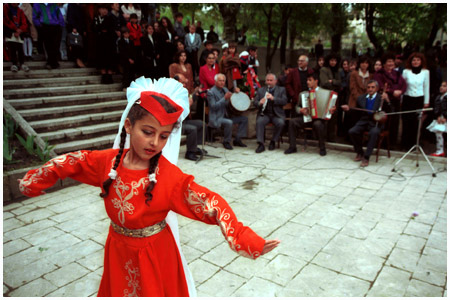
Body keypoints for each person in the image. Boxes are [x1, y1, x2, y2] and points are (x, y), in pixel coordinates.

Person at [18, 76, 281, 296]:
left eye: (164, 136)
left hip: (155, 256)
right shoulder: (107, 163)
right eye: (148, 132)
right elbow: (70, 163)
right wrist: (34, 180)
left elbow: (211, 203)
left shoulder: (168, 177)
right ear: (129, 126)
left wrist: (246, 239)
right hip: (118, 251)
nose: (155, 142)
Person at [342, 80, 392, 167]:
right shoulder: (361, 98)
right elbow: (356, 112)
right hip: (364, 121)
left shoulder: (381, 98)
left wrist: (387, 100)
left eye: (372, 87)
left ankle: (367, 157)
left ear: (376, 88)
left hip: (376, 123)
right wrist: (348, 109)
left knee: (374, 132)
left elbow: (391, 110)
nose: (370, 89)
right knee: (352, 131)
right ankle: (360, 152)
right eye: (368, 87)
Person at [285, 73, 336, 156]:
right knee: (292, 122)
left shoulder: (325, 93)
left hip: (319, 119)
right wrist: (300, 110)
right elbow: (297, 106)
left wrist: (332, 109)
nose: (307, 82)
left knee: (318, 124)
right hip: (307, 118)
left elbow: (332, 106)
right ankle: (292, 147)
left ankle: (322, 148)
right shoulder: (303, 94)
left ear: (316, 81)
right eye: (307, 80)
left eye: (310, 80)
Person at [373, 52, 407, 147]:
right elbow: (379, 86)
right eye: (388, 62)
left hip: (396, 101)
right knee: (384, 122)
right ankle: (381, 144)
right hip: (384, 101)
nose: (391, 63)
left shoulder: (397, 73)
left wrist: (400, 92)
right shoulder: (379, 73)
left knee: (395, 122)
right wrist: (392, 92)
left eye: (392, 61)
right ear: (384, 63)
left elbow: (404, 84)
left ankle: (392, 143)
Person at [207, 73, 248, 149]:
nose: (222, 82)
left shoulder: (225, 89)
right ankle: (226, 142)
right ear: (215, 81)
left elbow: (231, 99)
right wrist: (224, 99)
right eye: (220, 81)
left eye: (223, 81)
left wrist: (235, 93)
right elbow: (213, 107)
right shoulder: (211, 92)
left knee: (244, 119)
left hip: (227, 116)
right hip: (217, 118)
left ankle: (237, 140)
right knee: (229, 122)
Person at [401, 52, 430, 150]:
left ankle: (415, 143)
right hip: (407, 99)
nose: (416, 62)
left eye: (418, 60)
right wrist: (401, 99)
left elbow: (426, 87)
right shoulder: (406, 72)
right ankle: (405, 144)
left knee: (416, 123)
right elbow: (403, 86)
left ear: (421, 61)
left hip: (419, 99)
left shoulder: (425, 72)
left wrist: (426, 102)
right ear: (410, 61)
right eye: (414, 60)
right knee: (406, 122)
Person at [253, 74, 288, 153]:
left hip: (277, 114)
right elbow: (255, 102)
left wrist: (274, 98)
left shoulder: (282, 90)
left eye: (271, 80)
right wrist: (259, 103)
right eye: (267, 80)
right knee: (259, 121)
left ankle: (273, 141)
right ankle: (261, 144)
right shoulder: (261, 90)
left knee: (281, 123)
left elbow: (284, 101)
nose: (269, 82)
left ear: (275, 81)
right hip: (265, 114)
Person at [32, 3, 65, 69]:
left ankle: (54, 62)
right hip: (45, 26)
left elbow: (59, 15)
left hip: (56, 26)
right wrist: (39, 25)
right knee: (48, 45)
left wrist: (61, 24)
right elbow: (35, 16)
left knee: (56, 45)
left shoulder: (54, 4)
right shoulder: (37, 4)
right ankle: (51, 62)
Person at [346, 55, 373, 132]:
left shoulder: (371, 75)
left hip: (366, 100)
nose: (364, 64)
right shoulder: (354, 73)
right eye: (362, 63)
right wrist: (359, 99)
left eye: (366, 63)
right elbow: (352, 88)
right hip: (355, 100)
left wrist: (365, 98)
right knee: (353, 120)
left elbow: (371, 88)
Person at [320, 53, 342, 142]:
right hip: (326, 95)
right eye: (331, 60)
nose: (333, 62)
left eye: (335, 61)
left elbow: (340, 83)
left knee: (334, 116)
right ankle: (323, 136)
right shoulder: (324, 69)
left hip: (335, 96)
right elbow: (324, 83)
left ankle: (331, 137)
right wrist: (334, 83)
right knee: (325, 116)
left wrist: (332, 81)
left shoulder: (338, 70)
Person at [92, 4, 116, 84]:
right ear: (99, 10)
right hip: (100, 42)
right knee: (101, 59)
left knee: (109, 59)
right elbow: (95, 29)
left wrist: (105, 30)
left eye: (106, 9)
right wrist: (101, 30)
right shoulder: (96, 18)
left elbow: (111, 29)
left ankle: (109, 76)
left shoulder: (111, 18)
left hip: (109, 42)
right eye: (102, 9)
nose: (104, 11)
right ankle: (103, 76)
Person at [4, 3, 29, 72]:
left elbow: (24, 23)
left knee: (20, 48)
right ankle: (14, 64)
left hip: (19, 33)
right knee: (12, 48)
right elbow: (6, 20)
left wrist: (20, 30)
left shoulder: (20, 11)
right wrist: (15, 29)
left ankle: (22, 63)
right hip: (10, 31)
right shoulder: (5, 8)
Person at [427, 81, 447, 157]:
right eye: (441, 85)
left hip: (445, 118)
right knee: (438, 132)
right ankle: (440, 150)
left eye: (444, 86)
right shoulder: (438, 97)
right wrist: (438, 116)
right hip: (440, 118)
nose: (441, 87)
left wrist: (446, 117)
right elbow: (437, 108)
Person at [198, 51, 219, 119]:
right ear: (206, 59)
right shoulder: (203, 68)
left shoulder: (213, 69)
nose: (211, 60)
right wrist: (217, 82)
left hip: (212, 93)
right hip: (205, 94)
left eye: (213, 58)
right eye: (209, 58)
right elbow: (211, 82)